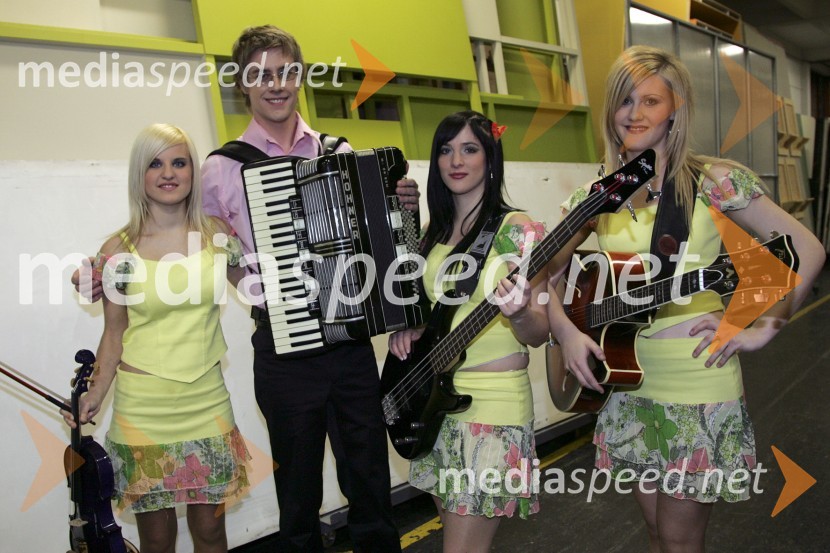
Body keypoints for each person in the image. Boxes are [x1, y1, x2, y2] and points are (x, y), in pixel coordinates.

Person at [546, 45, 826, 553]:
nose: (634, 113)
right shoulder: (597, 194)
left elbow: (806, 249)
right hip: (627, 383)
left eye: (650, 101)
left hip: (696, 380)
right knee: (655, 531)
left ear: (674, 110)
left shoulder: (713, 181)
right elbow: (550, 275)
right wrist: (565, 331)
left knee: (679, 540)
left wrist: (761, 327)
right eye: (624, 101)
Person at [199, 25, 420, 552]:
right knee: (297, 492)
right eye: (261, 74)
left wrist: (402, 210)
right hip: (282, 351)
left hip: (349, 346)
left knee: (367, 480)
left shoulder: (338, 150)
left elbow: (380, 236)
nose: (275, 84)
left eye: (285, 72)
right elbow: (211, 244)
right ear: (244, 83)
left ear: (299, 78)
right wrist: (264, 292)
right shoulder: (222, 167)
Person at [63, 123, 250, 553]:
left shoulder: (217, 235)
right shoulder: (117, 249)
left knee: (210, 531)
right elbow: (114, 332)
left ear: (192, 172)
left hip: (207, 402)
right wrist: (94, 393)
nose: (168, 173)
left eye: (179, 162)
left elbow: (261, 294)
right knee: (158, 539)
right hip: (143, 409)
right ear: (140, 175)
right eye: (155, 163)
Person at [387, 111, 549, 553]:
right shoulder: (433, 232)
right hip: (437, 406)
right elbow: (430, 309)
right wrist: (410, 329)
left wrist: (518, 314)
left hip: (493, 410)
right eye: (445, 149)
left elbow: (538, 331)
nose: (455, 160)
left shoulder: (517, 229)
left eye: (469, 149)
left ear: (490, 158)